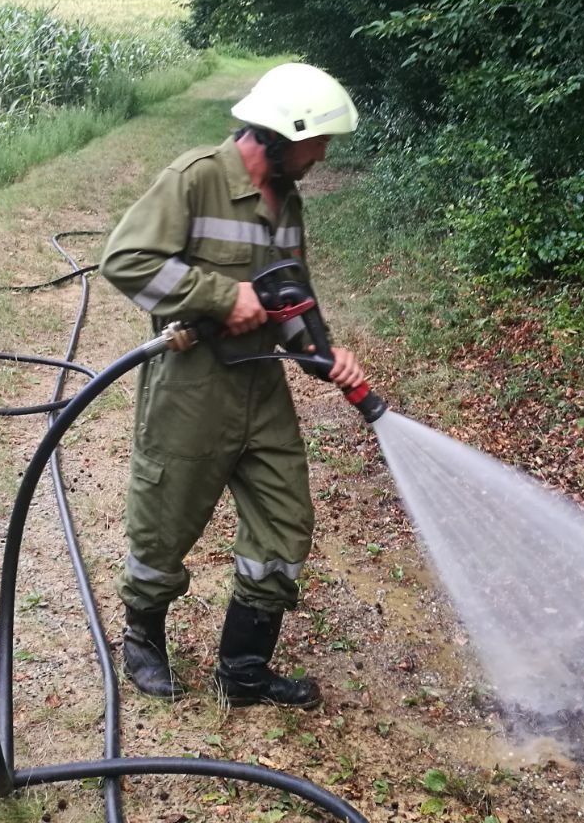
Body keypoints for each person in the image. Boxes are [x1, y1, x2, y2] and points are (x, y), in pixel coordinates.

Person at [100, 62, 367, 709]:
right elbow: (126, 260)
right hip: (192, 390)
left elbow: (289, 296)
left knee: (285, 521)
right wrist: (221, 296)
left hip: (262, 391)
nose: (322, 155)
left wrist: (324, 353)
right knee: (165, 523)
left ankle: (244, 670)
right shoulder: (196, 179)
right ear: (284, 132)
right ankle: (142, 638)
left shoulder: (288, 202)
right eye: (317, 142)